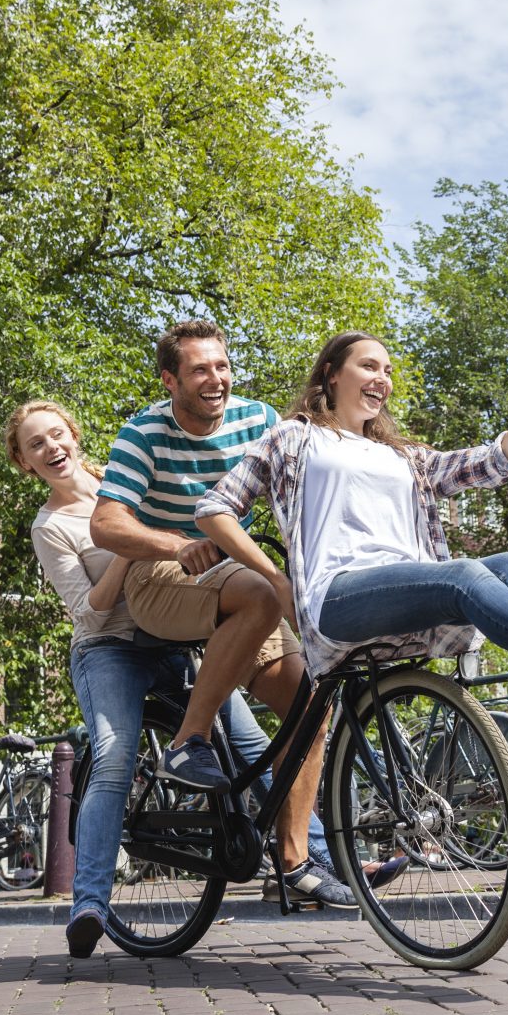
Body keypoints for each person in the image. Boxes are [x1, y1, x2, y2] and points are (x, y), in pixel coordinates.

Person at [193, 329, 508, 802]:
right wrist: (279, 580)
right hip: (338, 599)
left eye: (387, 370)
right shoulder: (292, 439)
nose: (381, 378)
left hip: (411, 598)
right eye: (368, 365)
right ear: (331, 375)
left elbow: (498, 459)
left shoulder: (405, 457)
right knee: (464, 574)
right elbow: (215, 509)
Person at [9, 399, 350, 958]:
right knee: (115, 756)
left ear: (74, 435)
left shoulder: (122, 480)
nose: (51, 449)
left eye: (56, 435)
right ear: (25, 463)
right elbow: (90, 611)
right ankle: (90, 902)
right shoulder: (52, 526)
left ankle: (317, 862)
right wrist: (127, 545)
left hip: (172, 639)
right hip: (110, 649)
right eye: (35, 445)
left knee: (249, 745)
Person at [89, 321, 356, 909]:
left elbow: (306, 490)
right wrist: (173, 543)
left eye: (222, 366)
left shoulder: (258, 420)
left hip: (238, 580)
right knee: (262, 593)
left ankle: (293, 862)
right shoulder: (144, 432)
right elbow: (105, 524)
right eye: (201, 370)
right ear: (170, 379)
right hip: (162, 577)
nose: (217, 380)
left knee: (313, 704)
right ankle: (188, 741)